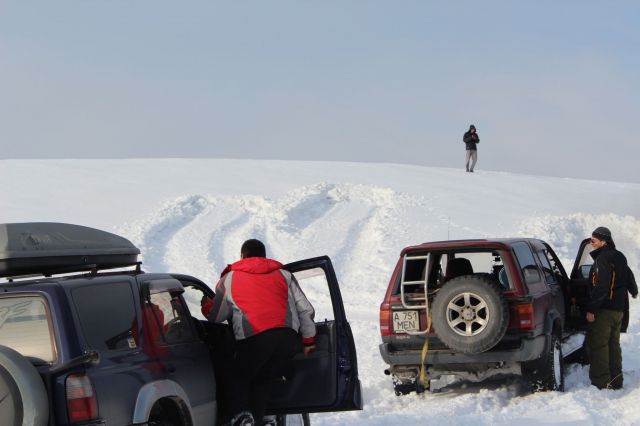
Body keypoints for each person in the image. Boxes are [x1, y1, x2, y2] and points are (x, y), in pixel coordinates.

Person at [202, 239, 316, 426]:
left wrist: (207, 306)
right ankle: (259, 420)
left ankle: (242, 416)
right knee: (262, 379)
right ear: (264, 256)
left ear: (242, 256)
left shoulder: (230, 278)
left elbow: (216, 316)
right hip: (286, 339)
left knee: (234, 375)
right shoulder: (284, 274)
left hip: (254, 337)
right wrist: (309, 340)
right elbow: (305, 309)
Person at [585, 226, 638, 390]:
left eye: (594, 240)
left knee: (599, 345)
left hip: (604, 310)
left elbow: (602, 285)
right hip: (619, 310)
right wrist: (634, 290)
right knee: (613, 346)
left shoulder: (602, 259)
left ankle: (602, 383)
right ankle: (616, 381)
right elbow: (629, 275)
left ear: (603, 241)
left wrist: (592, 309)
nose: (592, 243)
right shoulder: (619, 256)